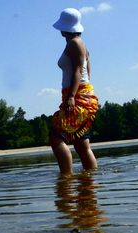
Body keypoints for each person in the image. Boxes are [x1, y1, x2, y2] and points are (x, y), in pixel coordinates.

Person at [50, 8, 100, 175]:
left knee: (56, 138)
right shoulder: (80, 44)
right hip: (81, 93)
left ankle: (66, 179)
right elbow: (88, 70)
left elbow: (79, 70)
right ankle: (90, 180)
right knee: (81, 143)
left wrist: (72, 96)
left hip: (77, 96)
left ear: (64, 29)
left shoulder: (75, 43)